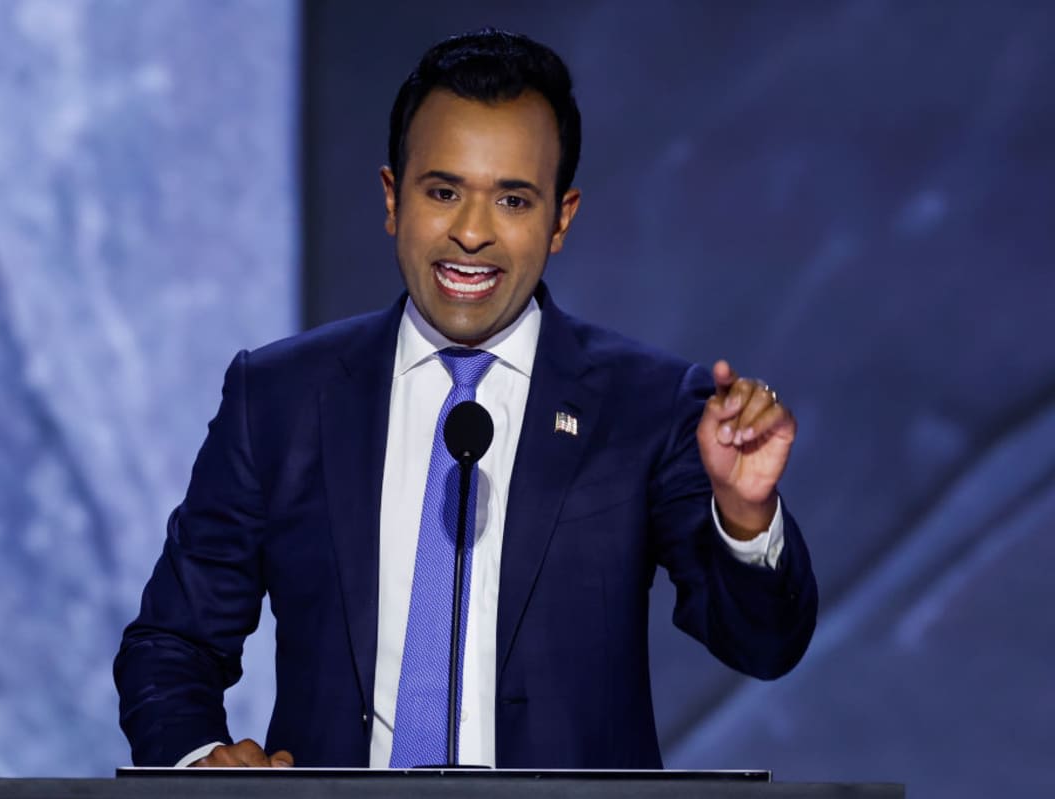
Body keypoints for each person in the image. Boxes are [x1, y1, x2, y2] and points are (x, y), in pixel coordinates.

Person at [114, 28, 817, 770]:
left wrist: (745, 517)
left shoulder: (644, 406)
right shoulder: (282, 397)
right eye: (443, 191)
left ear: (561, 219)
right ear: (393, 198)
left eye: (513, 199)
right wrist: (201, 763)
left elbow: (763, 645)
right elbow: (172, 644)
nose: (472, 233)